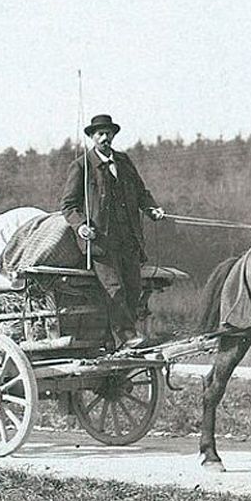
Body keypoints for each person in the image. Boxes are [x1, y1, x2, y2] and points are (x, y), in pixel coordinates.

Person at [61, 114, 166, 351]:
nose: (105, 137)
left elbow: (141, 193)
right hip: (101, 243)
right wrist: (81, 226)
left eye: (108, 133)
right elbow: (68, 206)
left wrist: (153, 209)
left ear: (114, 135)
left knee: (133, 288)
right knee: (114, 289)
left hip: (129, 240)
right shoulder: (81, 166)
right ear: (91, 137)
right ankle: (127, 337)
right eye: (99, 133)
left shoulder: (124, 161)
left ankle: (118, 340)